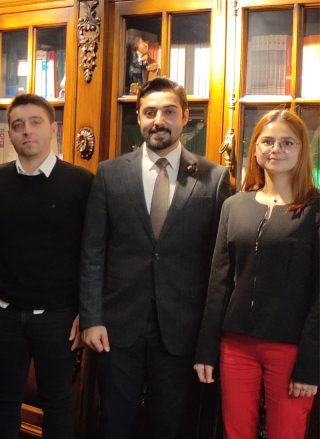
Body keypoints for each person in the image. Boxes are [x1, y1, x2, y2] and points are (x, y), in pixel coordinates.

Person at [79, 77, 232, 438]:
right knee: (114, 424)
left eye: (168, 111)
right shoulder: (110, 173)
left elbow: (219, 267)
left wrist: (208, 339)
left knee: (170, 427)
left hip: (181, 330)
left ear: (185, 117)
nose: (158, 120)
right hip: (117, 327)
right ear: (138, 117)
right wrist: (92, 318)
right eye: (149, 112)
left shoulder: (214, 178)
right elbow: (92, 252)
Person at [193, 109, 318, 439]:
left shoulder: (315, 209)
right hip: (236, 345)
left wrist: (311, 362)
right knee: (235, 432)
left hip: (291, 350)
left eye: (287, 142)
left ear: (302, 150)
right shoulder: (234, 206)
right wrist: (206, 349)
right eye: (268, 141)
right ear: (256, 149)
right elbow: (218, 283)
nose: (276, 149)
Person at [0, 93, 93, 439]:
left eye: (35, 123)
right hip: (5, 314)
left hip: (59, 318)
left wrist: (84, 311)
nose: (26, 131)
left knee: (57, 404)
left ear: (53, 128)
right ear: (10, 134)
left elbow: (91, 252)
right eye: (17, 125)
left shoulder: (80, 182)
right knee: (4, 399)